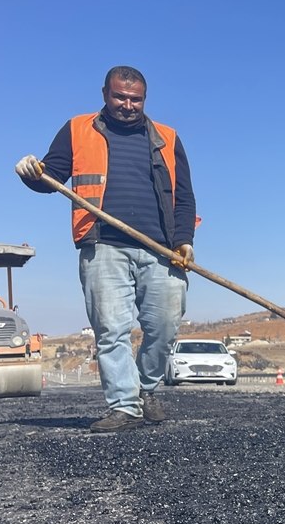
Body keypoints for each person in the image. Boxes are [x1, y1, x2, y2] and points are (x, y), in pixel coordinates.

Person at [16, 65, 197, 432]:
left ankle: (145, 389)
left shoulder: (168, 136)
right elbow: (51, 177)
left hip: (160, 248)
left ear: (144, 99)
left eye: (136, 99)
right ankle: (124, 407)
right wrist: (32, 174)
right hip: (103, 247)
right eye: (120, 97)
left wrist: (184, 241)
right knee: (111, 330)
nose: (128, 105)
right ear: (104, 94)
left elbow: (184, 197)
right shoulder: (77, 129)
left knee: (164, 327)